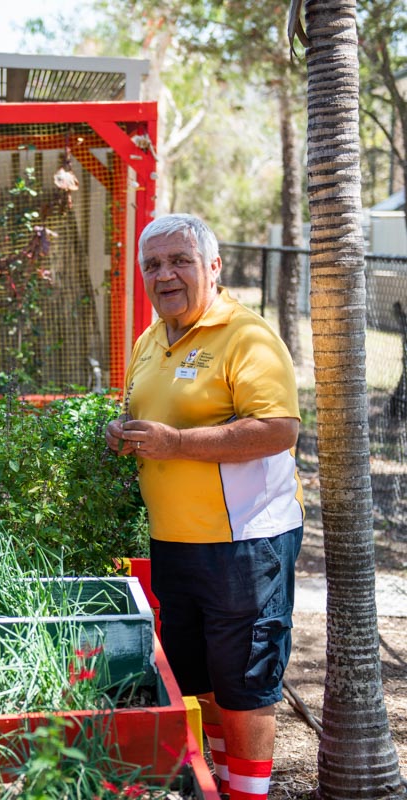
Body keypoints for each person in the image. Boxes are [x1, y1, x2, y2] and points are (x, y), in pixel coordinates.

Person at [105, 214, 303, 800]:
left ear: (213, 267)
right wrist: (121, 431)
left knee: (245, 684)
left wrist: (176, 445)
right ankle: (223, 780)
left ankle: (247, 795)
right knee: (205, 680)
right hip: (173, 541)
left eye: (179, 261)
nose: (165, 275)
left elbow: (279, 429)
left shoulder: (247, 337)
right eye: (153, 265)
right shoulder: (150, 339)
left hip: (245, 541)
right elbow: (144, 409)